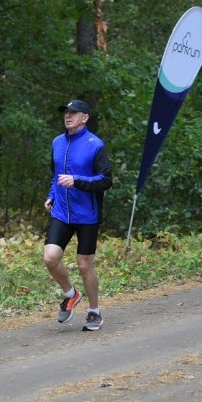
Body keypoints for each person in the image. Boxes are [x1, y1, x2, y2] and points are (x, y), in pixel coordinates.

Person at [44, 99, 113, 331]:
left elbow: (106, 180)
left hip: (87, 215)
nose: (68, 116)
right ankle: (71, 294)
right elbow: (56, 175)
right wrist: (52, 195)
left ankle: (94, 312)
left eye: (74, 113)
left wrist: (77, 181)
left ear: (85, 118)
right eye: (66, 112)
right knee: (50, 258)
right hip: (62, 212)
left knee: (84, 266)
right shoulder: (57, 142)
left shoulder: (95, 145)